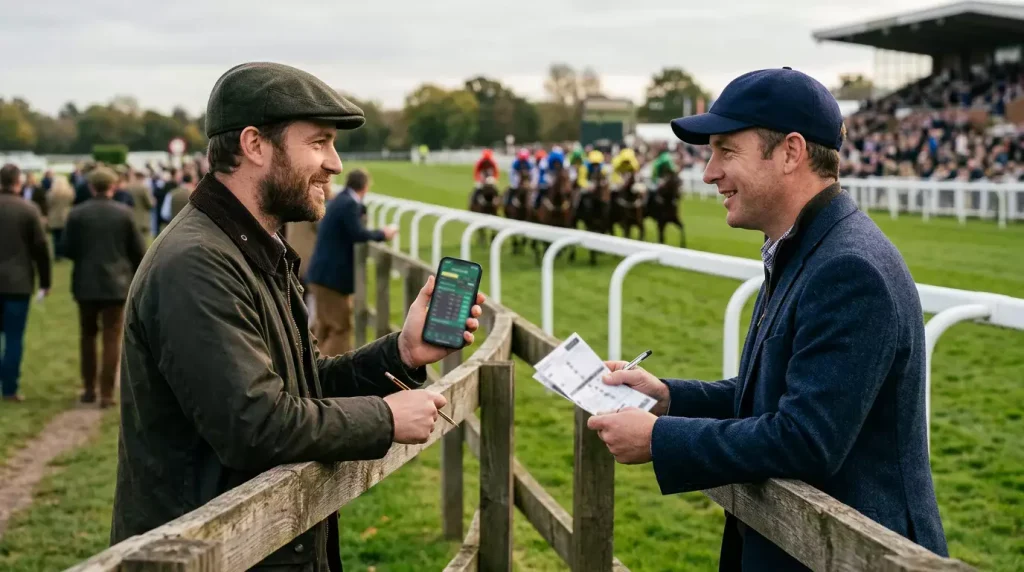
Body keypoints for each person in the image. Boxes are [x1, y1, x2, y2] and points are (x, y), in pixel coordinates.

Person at [109, 62, 483, 572]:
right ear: (254, 145)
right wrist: (387, 417)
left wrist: (403, 352)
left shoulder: (255, 246)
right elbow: (255, 424)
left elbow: (309, 384)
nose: (333, 163)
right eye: (319, 142)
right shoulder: (196, 263)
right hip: (208, 555)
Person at [587, 67, 948, 571]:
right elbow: (775, 394)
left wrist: (658, 439)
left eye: (726, 151)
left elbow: (805, 438)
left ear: (791, 152)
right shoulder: (805, 245)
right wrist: (668, 397)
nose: (709, 172)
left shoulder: (848, 267)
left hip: (860, 555)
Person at [62, 166, 146, 407]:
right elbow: (138, 251)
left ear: (90, 187)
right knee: (112, 337)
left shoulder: (77, 214)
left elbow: (66, 248)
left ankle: (89, 389)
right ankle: (107, 393)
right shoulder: (125, 213)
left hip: (85, 283)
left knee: (87, 336)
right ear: (113, 186)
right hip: (116, 284)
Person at [306, 168, 397, 356]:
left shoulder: (339, 200)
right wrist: (383, 233)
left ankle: (311, 375)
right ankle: (324, 380)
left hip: (320, 274)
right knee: (340, 329)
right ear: (365, 186)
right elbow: (358, 233)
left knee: (324, 329)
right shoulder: (349, 204)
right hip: (332, 279)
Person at [0, 163, 51, 402]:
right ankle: (9, 389)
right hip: (17, 283)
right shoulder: (28, 210)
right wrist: (45, 281)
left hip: (13, 282)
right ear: (19, 182)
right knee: (13, 338)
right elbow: (40, 249)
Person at [46, 176, 76, 261]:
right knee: (64, 236)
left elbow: (48, 203)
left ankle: (57, 254)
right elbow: (72, 201)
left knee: (56, 237)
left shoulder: (51, 193)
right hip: (65, 215)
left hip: (54, 215)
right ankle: (64, 253)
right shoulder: (69, 192)